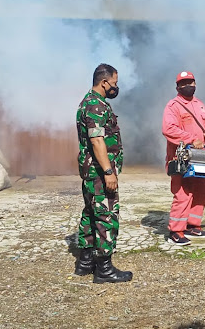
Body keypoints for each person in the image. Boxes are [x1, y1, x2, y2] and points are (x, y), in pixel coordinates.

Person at [74, 63, 132, 284]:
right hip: (99, 173)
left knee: (90, 214)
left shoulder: (88, 103)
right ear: (104, 82)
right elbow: (97, 140)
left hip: (91, 172)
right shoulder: (96, 106)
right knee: (106, 216)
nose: (116, 88)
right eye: (114, 83)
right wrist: (109, 171)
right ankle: (104, 268)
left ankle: (85, 262)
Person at [162, 71, 205, 246]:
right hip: (181, 158)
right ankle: (176, 230)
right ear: (177, 87)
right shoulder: (173, 106)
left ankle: (193, 225)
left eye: (190, 82)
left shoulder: (199, 105)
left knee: (200, 191)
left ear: (195, 83)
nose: (187, 85)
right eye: (183, 83)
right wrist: (192, 139)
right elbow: (168, 129)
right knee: (183, 193)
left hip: (199, 157)